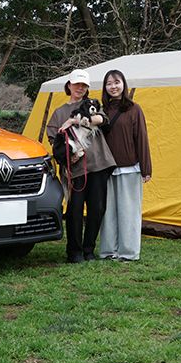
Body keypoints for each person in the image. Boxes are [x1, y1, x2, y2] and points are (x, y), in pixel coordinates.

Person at [45, 69, 116, 263]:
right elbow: (54, 140)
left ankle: (89, 250)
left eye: (84, 85)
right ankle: (74, 251)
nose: (80, 88)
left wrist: (74, 120)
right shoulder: (59, 112)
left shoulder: (92, 105)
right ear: (69, 85)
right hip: (75, 170)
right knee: (75, 209)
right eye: (77, 84)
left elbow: (102, 119)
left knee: (97, 208)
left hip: (99, 165)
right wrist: (69, 156)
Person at [99, 69, 151, 261]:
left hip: (129, 168)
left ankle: (128, 253)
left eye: (116, 82)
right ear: (105, 87)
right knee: (108, 212)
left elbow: (142, 139)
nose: (113, 86)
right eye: (109, 83)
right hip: (106, 169)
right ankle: (108, 251)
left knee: (129, 211)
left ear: (123, 84)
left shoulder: (134, 109)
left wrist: (146, 168)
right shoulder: (100, 110)